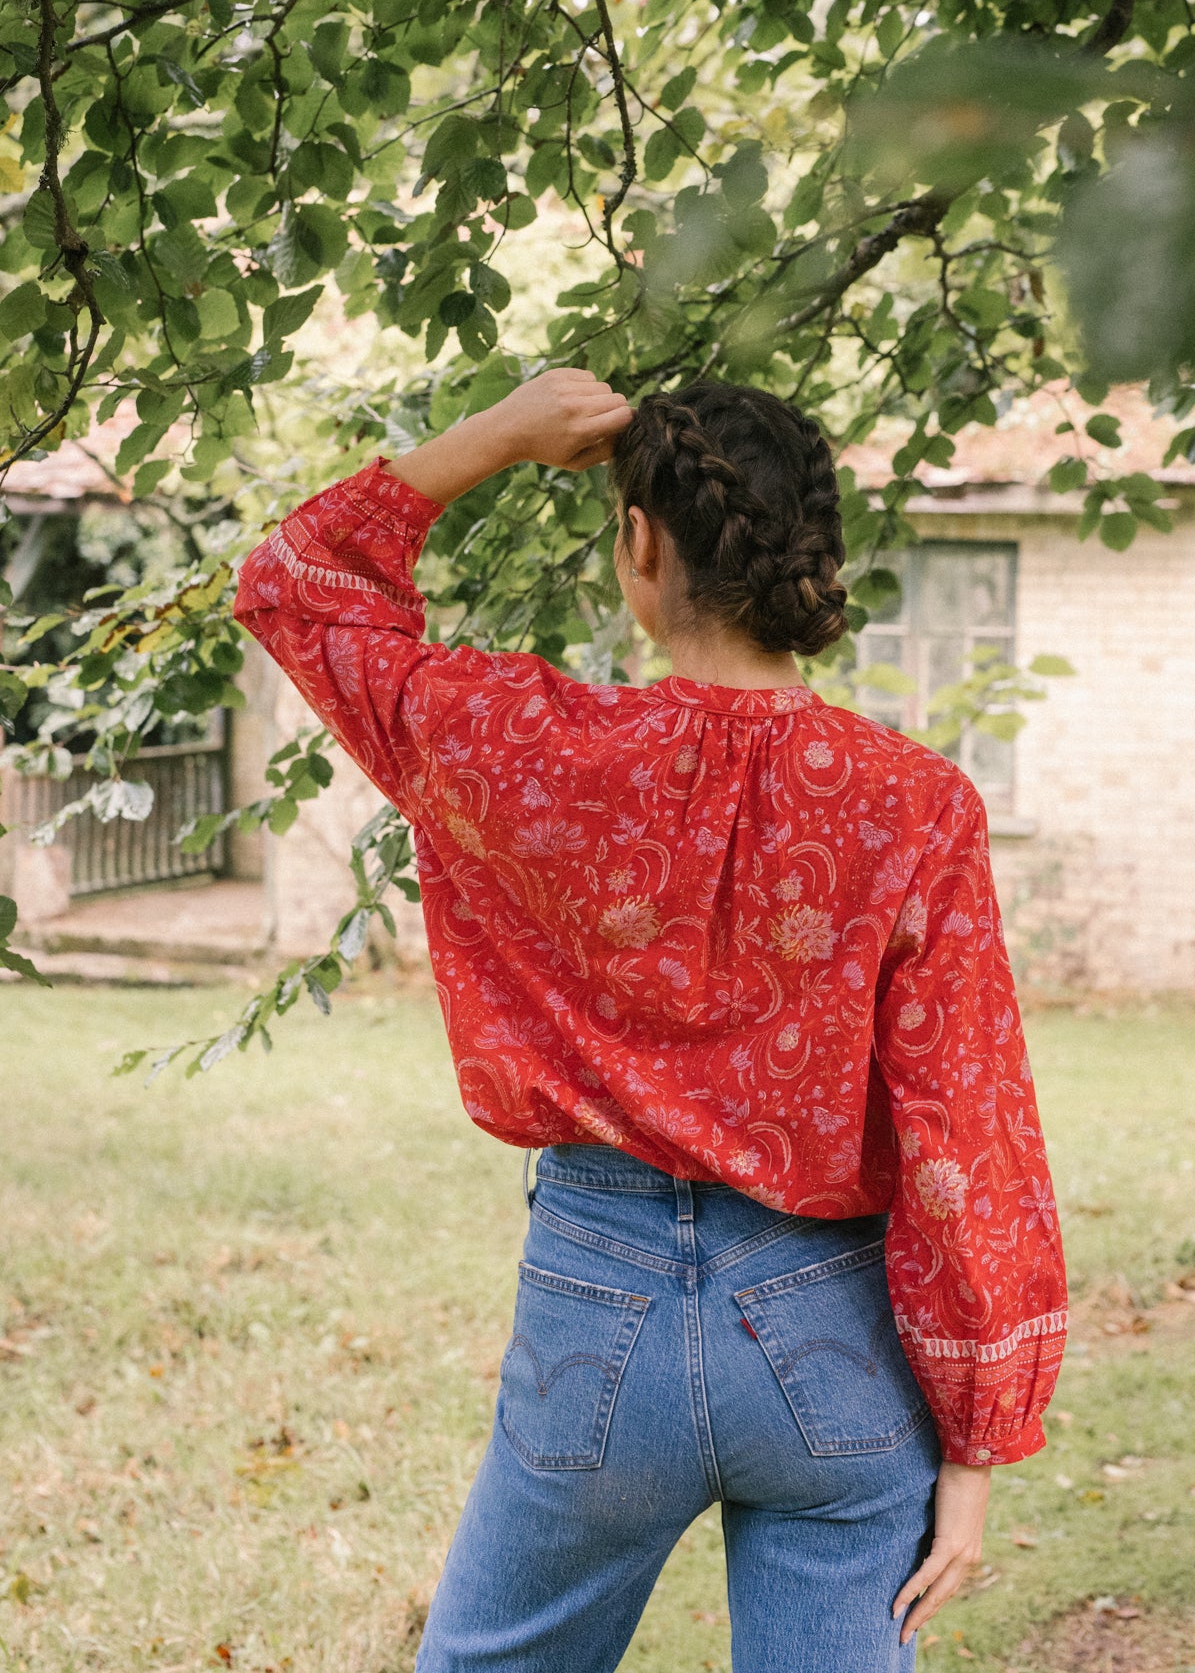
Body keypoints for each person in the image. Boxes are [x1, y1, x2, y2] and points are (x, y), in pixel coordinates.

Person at [234, 369, 1067, 1673]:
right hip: (829, 1338)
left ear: (638, 543)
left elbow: (296, 583)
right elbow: (969, 1133)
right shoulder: (915, 808)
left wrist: (498, 437)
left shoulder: (515, 746)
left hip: (593, 1309)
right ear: (815, 550)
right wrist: (971, 1448)